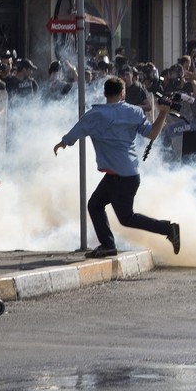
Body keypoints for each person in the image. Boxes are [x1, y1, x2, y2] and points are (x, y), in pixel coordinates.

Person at [53, 77, 180, 258]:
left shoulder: (94, 115)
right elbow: (152, 134)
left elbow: (77, 130)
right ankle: (108, 246)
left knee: (124, 217)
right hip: (125, 175)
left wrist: (63, 143)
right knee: (95, 205)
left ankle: (168, 229)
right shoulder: (134, 112)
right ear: (123, 93)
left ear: (105, 93)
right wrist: (162, 114)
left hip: (120, 177)